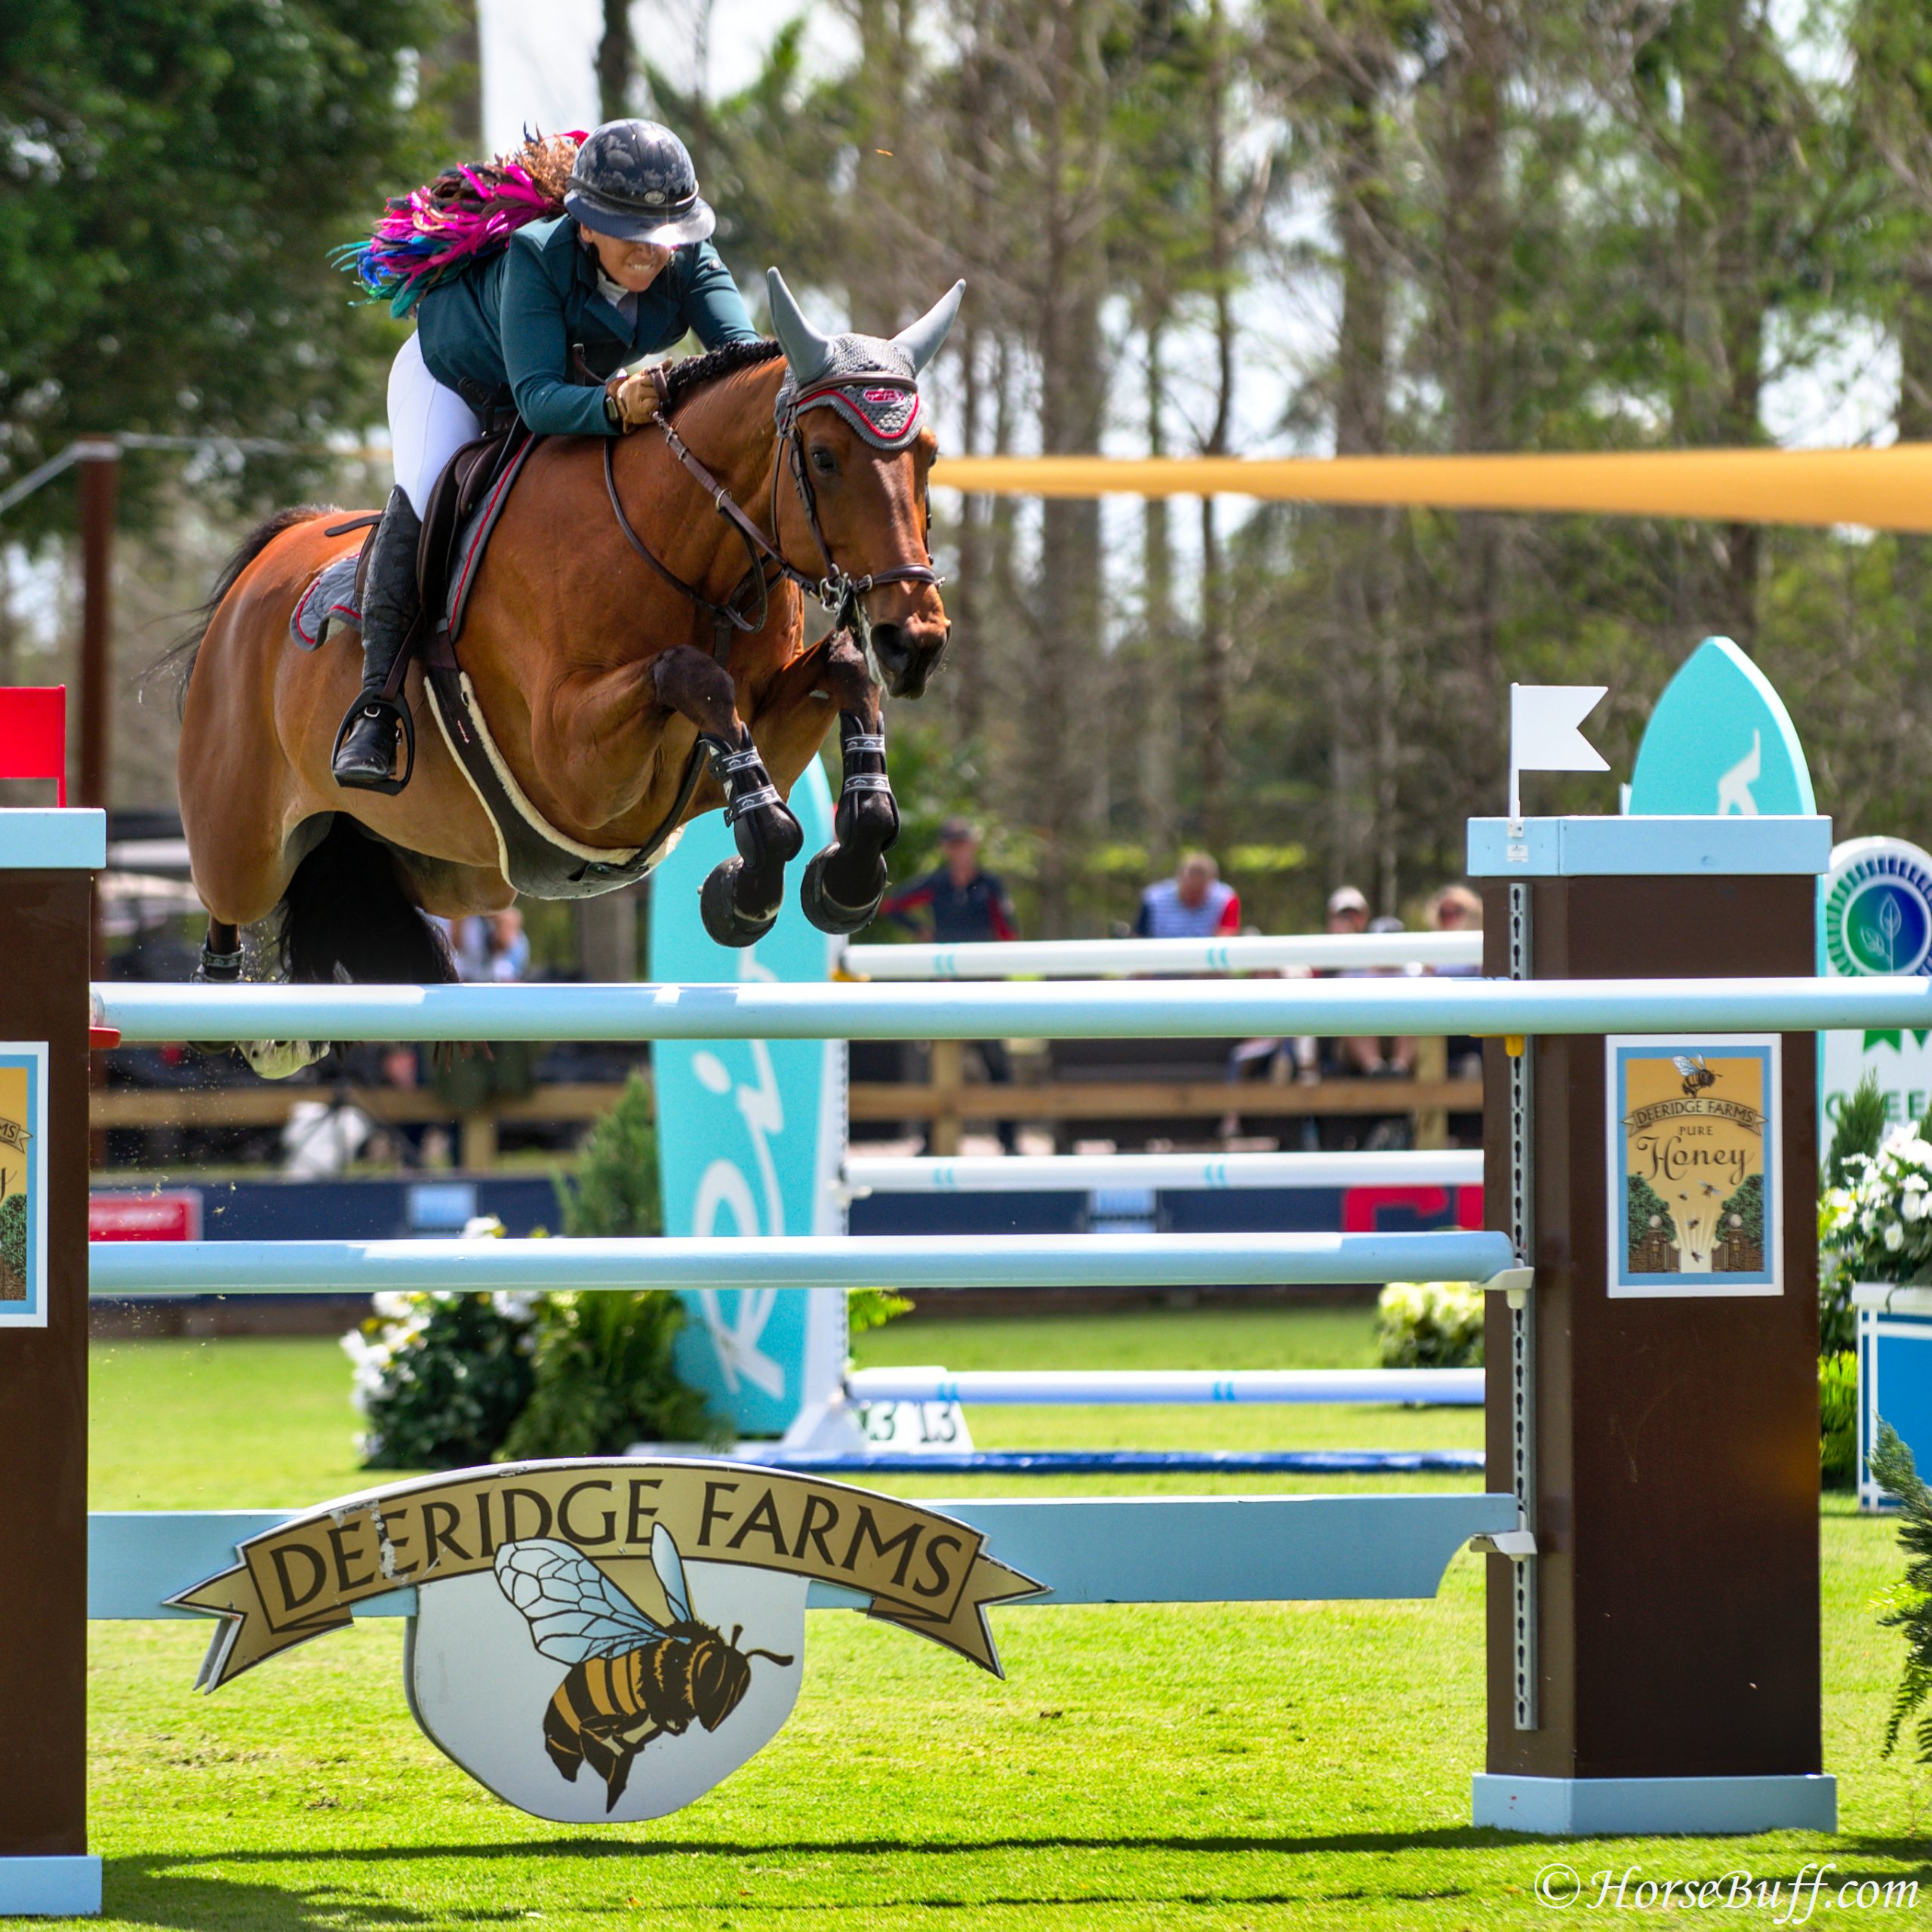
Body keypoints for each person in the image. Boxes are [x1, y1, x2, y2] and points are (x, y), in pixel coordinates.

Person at [331, 120, 761, 792]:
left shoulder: (690, 258)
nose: (652, 252)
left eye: (664, 234)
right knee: (424, 490)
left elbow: (746, 364)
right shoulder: (537, 255)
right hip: (455, 379)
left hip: (568, 388)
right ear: (586, 225)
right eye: (631, 232)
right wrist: (618, 407)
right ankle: (377, 709)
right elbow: (534, 400)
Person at [878, 819, 1019, 1149]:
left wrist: (998, 968)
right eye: (953, 843)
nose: (959, 849)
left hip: (983, 983)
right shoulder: (937, 883)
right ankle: (931, 1143)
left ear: (974, 844)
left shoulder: (990, 885)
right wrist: (921, 931)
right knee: (935, 1065)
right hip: (944, 981)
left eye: (963, 841)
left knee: (998, 1065)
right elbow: (891, 905)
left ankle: (1009, 1142)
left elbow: (1009, 931)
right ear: (945, 848)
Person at [1135, 853, 1239, 940]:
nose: (1193, 895)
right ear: (1178, 879)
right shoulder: (1153, 899)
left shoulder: (1226, 899)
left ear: (1212, 884)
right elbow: (1140, 937)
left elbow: (1226, 937)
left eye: (1199, 892)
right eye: (1189, 889)